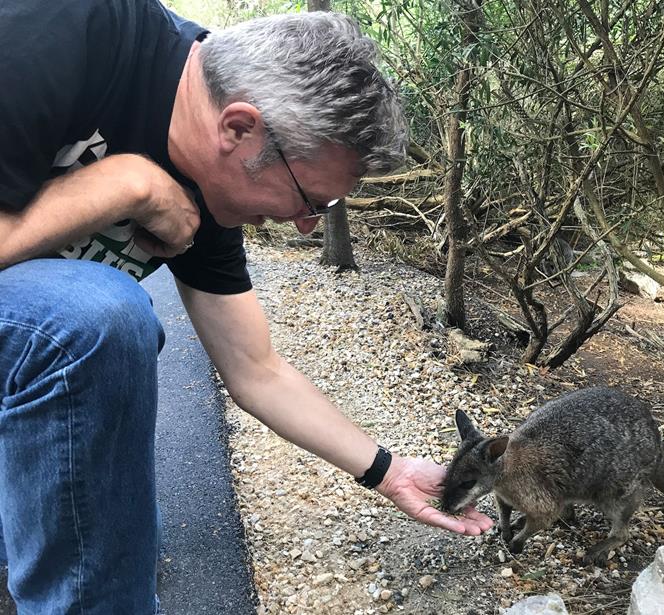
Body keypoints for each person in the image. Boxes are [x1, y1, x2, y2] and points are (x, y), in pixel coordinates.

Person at [0, 2, 493, 613]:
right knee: (93, 318)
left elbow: (256, 368)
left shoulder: (211, 184)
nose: (309, 227)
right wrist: (125, 184)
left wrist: (388, 473)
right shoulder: (61, 29)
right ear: (238, 128)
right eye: (311, 199)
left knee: (121, 523)